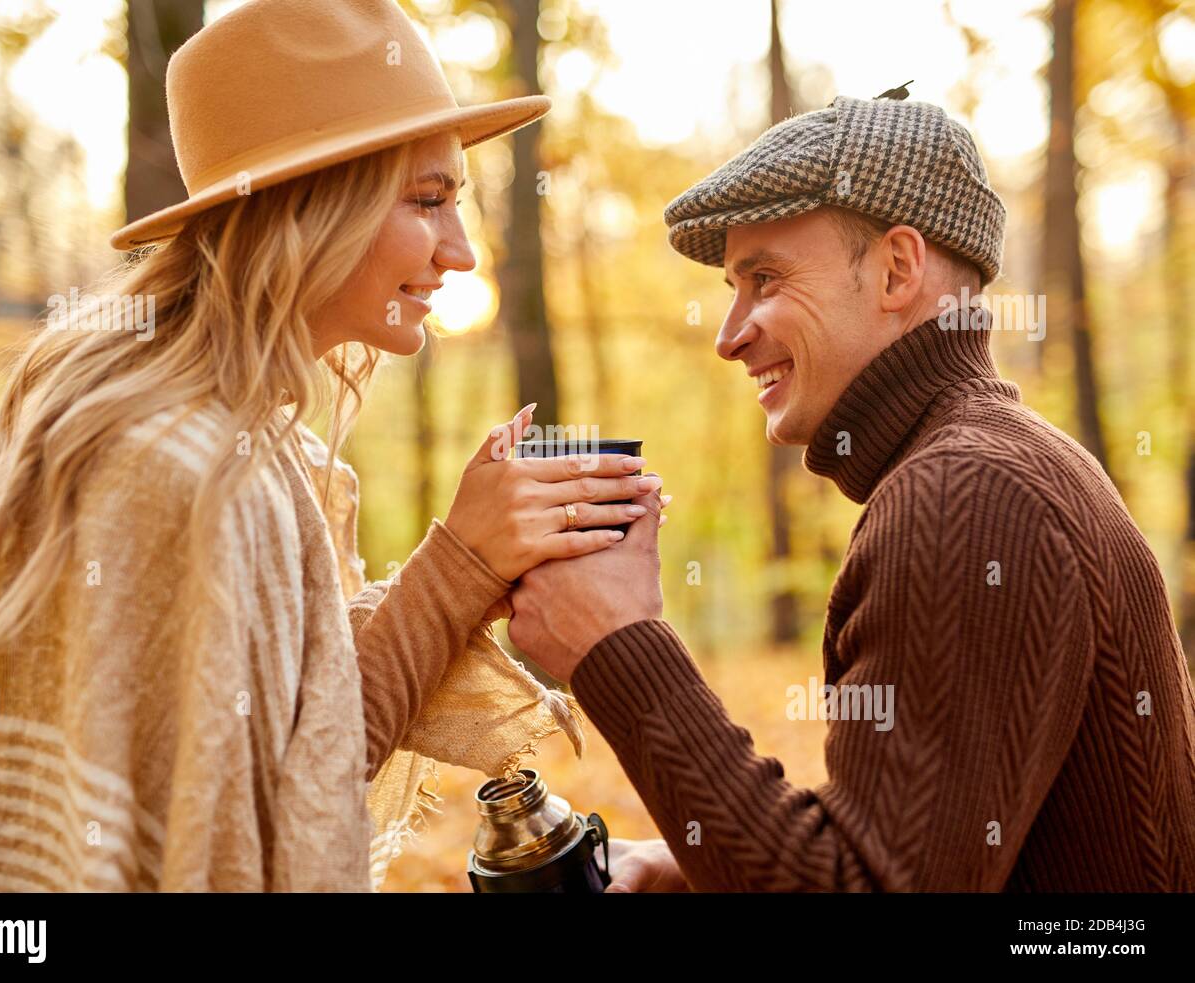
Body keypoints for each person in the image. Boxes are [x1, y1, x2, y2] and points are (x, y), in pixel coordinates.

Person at [0, 0, 658, 892]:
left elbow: (291, 764)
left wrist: (469, 565)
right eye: (428, 200)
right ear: (307, 206)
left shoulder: (256, 450)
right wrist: (456, 563)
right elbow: (242, 836)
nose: (461, 252)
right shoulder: (177, 465)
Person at [508, 91, 1195, 891]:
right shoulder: (1008, 463)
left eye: (764, 278)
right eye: (733, 286)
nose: (729, 336)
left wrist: (613, 641)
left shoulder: (966, 497)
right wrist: (693, 867)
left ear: (897, 269)